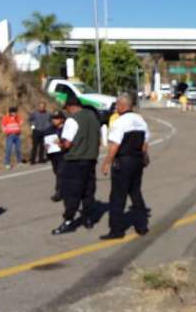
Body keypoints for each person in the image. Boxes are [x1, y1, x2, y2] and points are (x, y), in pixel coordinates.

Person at [100, 94, 150, 240]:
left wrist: (106, 162)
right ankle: (142, 226)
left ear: (122, 106)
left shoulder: (120, 122)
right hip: (137, 161)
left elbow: (115, 144)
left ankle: (116, 230)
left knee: (117, 197)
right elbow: (145, 142)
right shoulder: (140, 120)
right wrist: (144, 157)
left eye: (117, 105)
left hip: (123, 162)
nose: (116, 108)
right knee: (136, 193)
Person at [52, 95, 100, 235]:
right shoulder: (93, 117)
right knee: (88, 192)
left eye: (67, 108)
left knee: (71, 193)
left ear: (71, 107)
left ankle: (68, 221)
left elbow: (67, 144)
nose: (67, 112)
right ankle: (88, 219)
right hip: (91, 160)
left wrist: (58, 144)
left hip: (75, 161)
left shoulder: (72, 120)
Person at [46, 111, 66, 202]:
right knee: (57, 171)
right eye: (53, 118)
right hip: (54, 155)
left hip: (64, 154)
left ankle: (59, 192)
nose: (54, 120)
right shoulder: (50, 129)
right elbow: (47, 140)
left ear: (62, 119)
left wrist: (61, 142)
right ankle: (64, 189)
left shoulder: (66, 129)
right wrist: (46, 146)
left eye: (57, 118)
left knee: (60, 173)